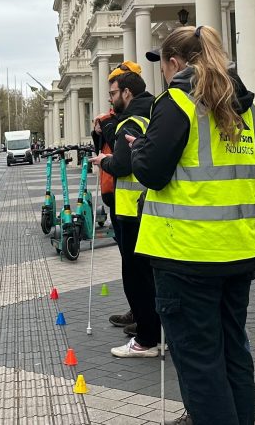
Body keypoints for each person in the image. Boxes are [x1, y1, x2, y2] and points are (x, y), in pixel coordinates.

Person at [129, 25, 255, 425]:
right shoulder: (247, 105)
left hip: (185, 256)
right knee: (233, 354)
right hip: (237, 251)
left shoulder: (179, 101)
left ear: (174, 63)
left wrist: (139, 151)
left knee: (201, 365)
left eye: (163, 66)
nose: (163, 76)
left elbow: (152, 171)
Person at [90, 65, 159, 356]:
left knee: (136, 275)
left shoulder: (130, 122)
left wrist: (103, 160)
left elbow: (122, 164)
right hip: (149, 206)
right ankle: (149, 327)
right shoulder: (154, 111)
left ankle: (146, 339)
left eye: (114, 93)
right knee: (147, 273)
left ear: (127, 93)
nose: (110, 99)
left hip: (132, 209)